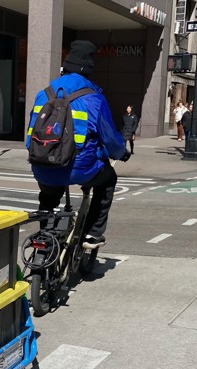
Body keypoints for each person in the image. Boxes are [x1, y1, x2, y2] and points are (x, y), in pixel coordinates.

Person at [26, 40, 129, 249]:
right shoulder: (94, 98)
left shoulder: (43, 94)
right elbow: (110, 138)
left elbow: (30, 137)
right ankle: (92, 235)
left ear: (65, 67)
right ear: (89, 70)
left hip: (42, 166)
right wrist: (122, 153)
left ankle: (45, 232)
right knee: (108, 180)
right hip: (79, 169)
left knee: (48, 193)